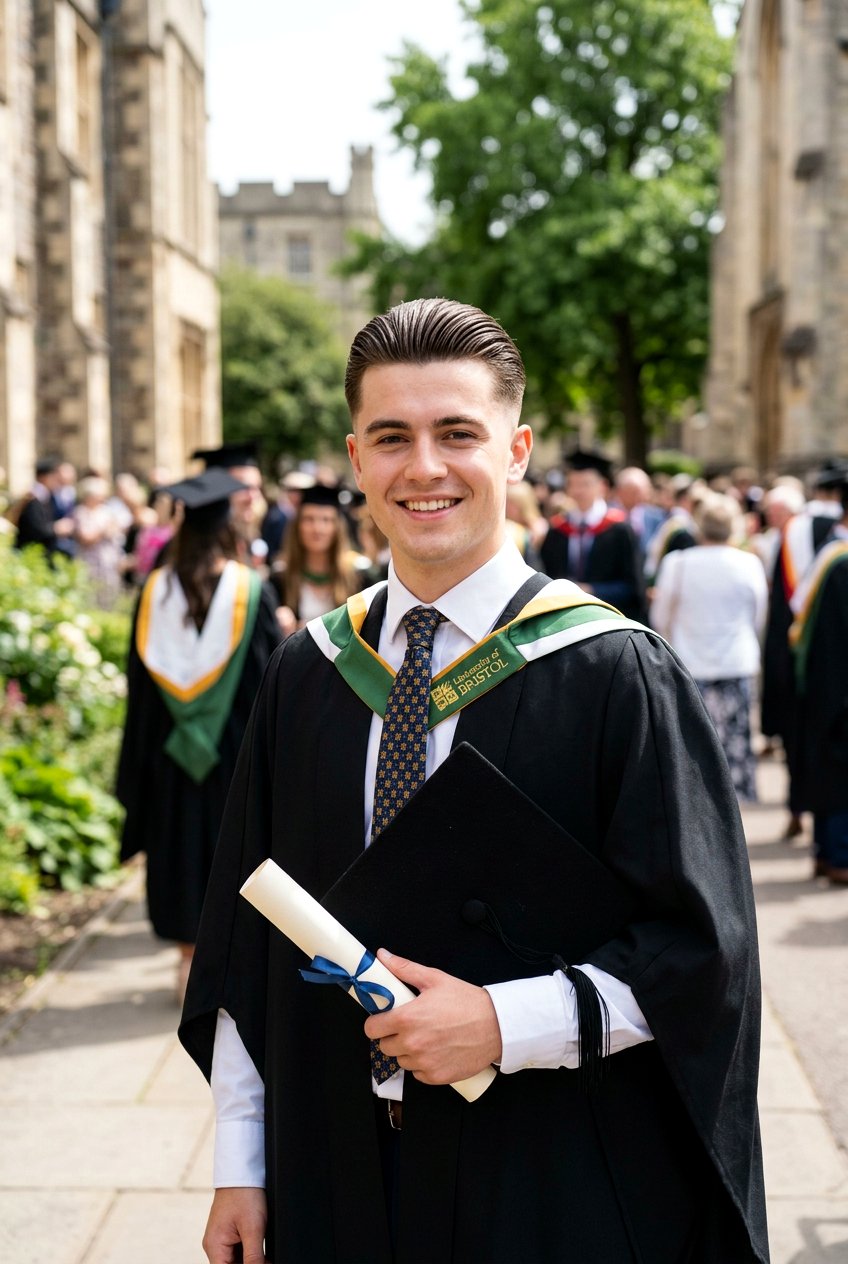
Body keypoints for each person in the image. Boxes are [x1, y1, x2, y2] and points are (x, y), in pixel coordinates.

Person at [179, 299, 767, 1264]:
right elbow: (249, 948)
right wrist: (242, 1165)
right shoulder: (309, 672)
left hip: (545, 1168)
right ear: (356, 459)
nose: (424, 467)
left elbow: (704, 956)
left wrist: (502, 1022)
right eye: (391, 437)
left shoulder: (614, 673)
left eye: (459, 433)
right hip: (336, 1163)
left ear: (517, 450)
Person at [116, 468, 282, 1000]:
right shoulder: (250, 591)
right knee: (227, 844)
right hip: (232, 753)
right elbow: (265, 680)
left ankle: (186, 960)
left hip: (169, 757)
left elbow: (141, 691)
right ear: (228, 528)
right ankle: (224, 958)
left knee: (177, 846)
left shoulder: (152, 594)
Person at [650, 495, 768, 802]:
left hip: (690, 663)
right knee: (736, 746)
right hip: (735, 661)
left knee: (693, 748)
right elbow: (759, 615)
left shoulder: (677, 563)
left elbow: (659, 616)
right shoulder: (749, 562)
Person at [789, 479, 848, 884]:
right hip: (839, 686)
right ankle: (838, 856)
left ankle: (828, 853)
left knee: (829, 769)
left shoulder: (831, 556)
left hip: (826, 684)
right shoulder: (841, 562)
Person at [539, 449, 648, 621]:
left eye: (585, 484)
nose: (578, 491)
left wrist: (591, 590)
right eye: (572, 484)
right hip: (564, 620)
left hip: (609, 619)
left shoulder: (620, 530)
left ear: (602, 487)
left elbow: (634, 587)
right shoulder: (557, 530)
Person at [269, 484, 372, 637]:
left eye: (326, 520)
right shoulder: (279, 578)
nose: (317, 528)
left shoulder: (359, 576)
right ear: (297, 526)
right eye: (309, 519)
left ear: (337, 527)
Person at [13, 456, 77, 557]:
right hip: (31, 554)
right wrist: (55, 528)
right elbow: (34, 529)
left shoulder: (47, 496)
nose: (58, 482)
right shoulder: (33, 499)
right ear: (45, 477)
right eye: (55, 477)